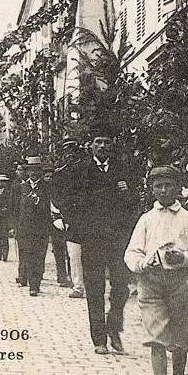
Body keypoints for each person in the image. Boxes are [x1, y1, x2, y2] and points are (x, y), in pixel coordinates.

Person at [124, 165, 188, 375]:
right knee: (157, 338)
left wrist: (183, 258)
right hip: (151, 283)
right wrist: (142, 262)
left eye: (168, 185)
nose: (163, 190)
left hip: (179, 283)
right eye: (158, 186)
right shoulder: (146, 220)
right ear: (151, 189)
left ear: (178, 188)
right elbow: (131, 253)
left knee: (181, 339)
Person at [69, 128, 140, 355]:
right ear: (90, 145)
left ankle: (114, 324)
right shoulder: (80, 171)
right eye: (98, 142)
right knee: (95, 287)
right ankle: (99, 337)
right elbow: (70, 200)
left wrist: (127, 192)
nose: (102, 146)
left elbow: (134, 202)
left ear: (112, 145)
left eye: (106, 142)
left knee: (121, 286)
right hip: (92, 239)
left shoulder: (123, 170)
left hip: (118, 239)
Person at [51, 137, 86, 298]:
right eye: (66, 151)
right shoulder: (60, 174)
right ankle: (78, 286)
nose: (70, 154)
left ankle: (90, 284)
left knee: (91, 254)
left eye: (73, 150)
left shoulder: (87, 170)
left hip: (88, 218)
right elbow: (54, 197)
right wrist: (58, 216)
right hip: (70, 220)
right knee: (74, 254)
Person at [13, 157, 51, 296]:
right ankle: (32, 285)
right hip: (25, 228)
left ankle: (37, 281)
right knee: (28, 255)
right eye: (31, 170)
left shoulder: (47, 187)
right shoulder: (20, 187)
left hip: (41, 228)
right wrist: (15, 226)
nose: (33, 173)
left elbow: (50, 207)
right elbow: (14, 208)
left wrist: (39, 201)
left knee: (39, 256)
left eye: (36, 170)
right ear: (27, 172)